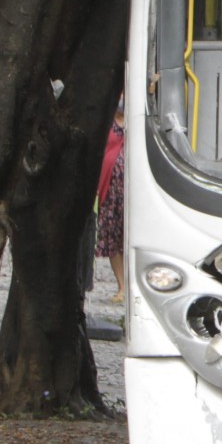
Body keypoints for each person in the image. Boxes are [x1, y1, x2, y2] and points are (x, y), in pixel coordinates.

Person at [95, 101, 126, 301]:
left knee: (129, 236)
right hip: (110, 189)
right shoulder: (105, 121)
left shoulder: (138, 121)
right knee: (112, 237)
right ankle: (121, 285)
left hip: (131, 191)